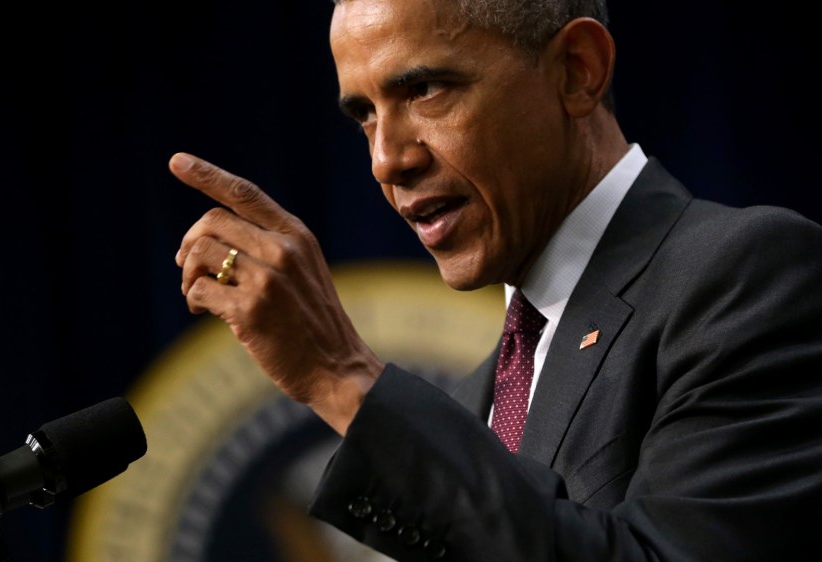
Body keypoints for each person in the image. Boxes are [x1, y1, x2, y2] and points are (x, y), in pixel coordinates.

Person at [169, 0, 822, 560]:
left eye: (424, 89)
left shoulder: (749, 276)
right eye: (364, 114)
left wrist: (341, 379)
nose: (386, 160)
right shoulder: (486, 392)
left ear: (577, 71)